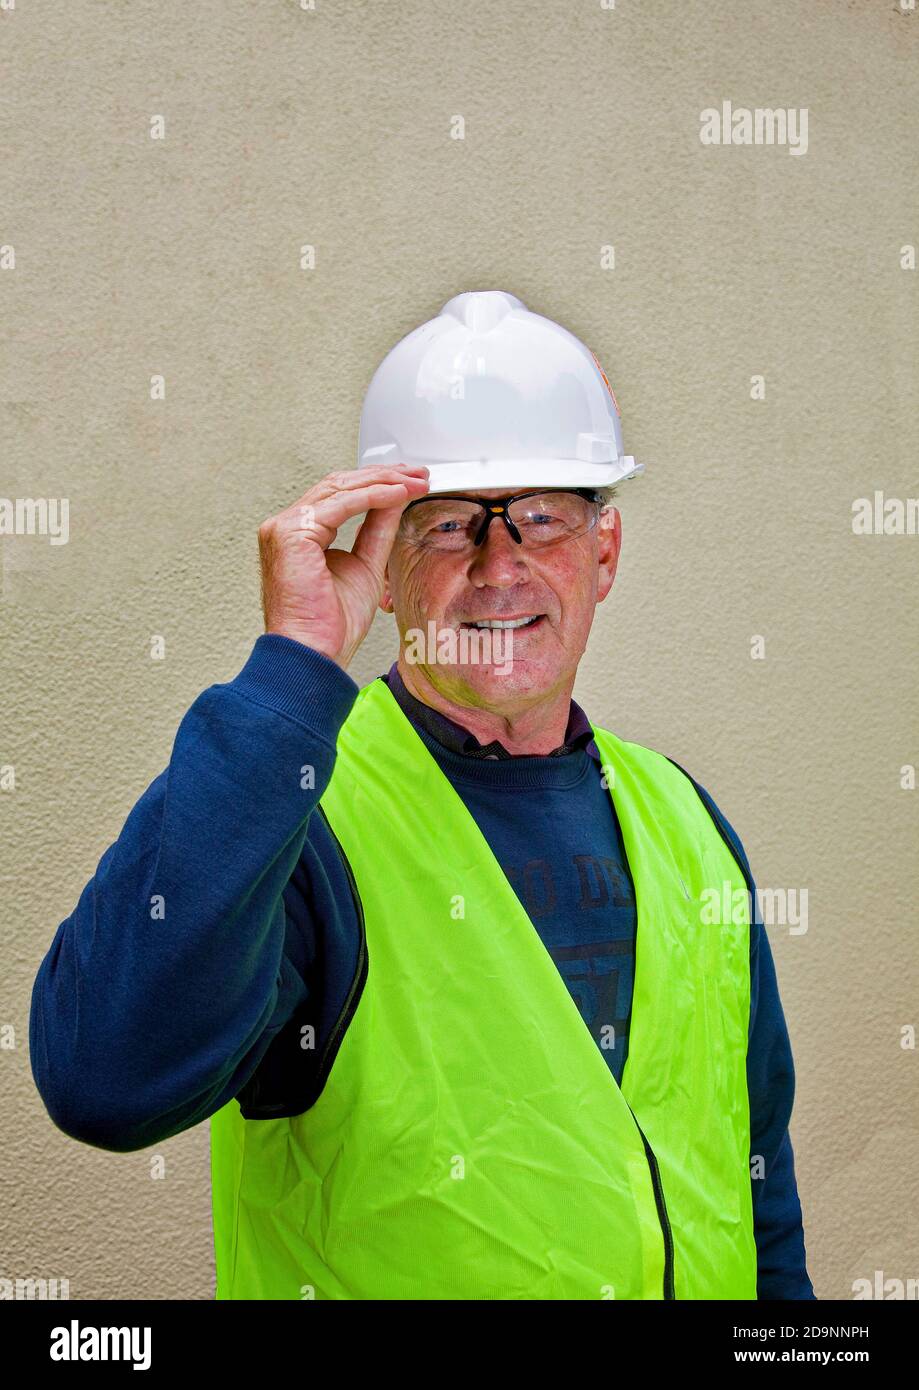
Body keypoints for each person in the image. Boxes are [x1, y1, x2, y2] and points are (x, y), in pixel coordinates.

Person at [30, 291, 815, 1300]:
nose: (500, 568)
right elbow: (104, 1080)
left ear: (604, 554)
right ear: (386, 573)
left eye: (541, 517)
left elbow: (758, 1179)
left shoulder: (686, 820)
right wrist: (290, 670)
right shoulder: (302, 815)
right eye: (448, 527)